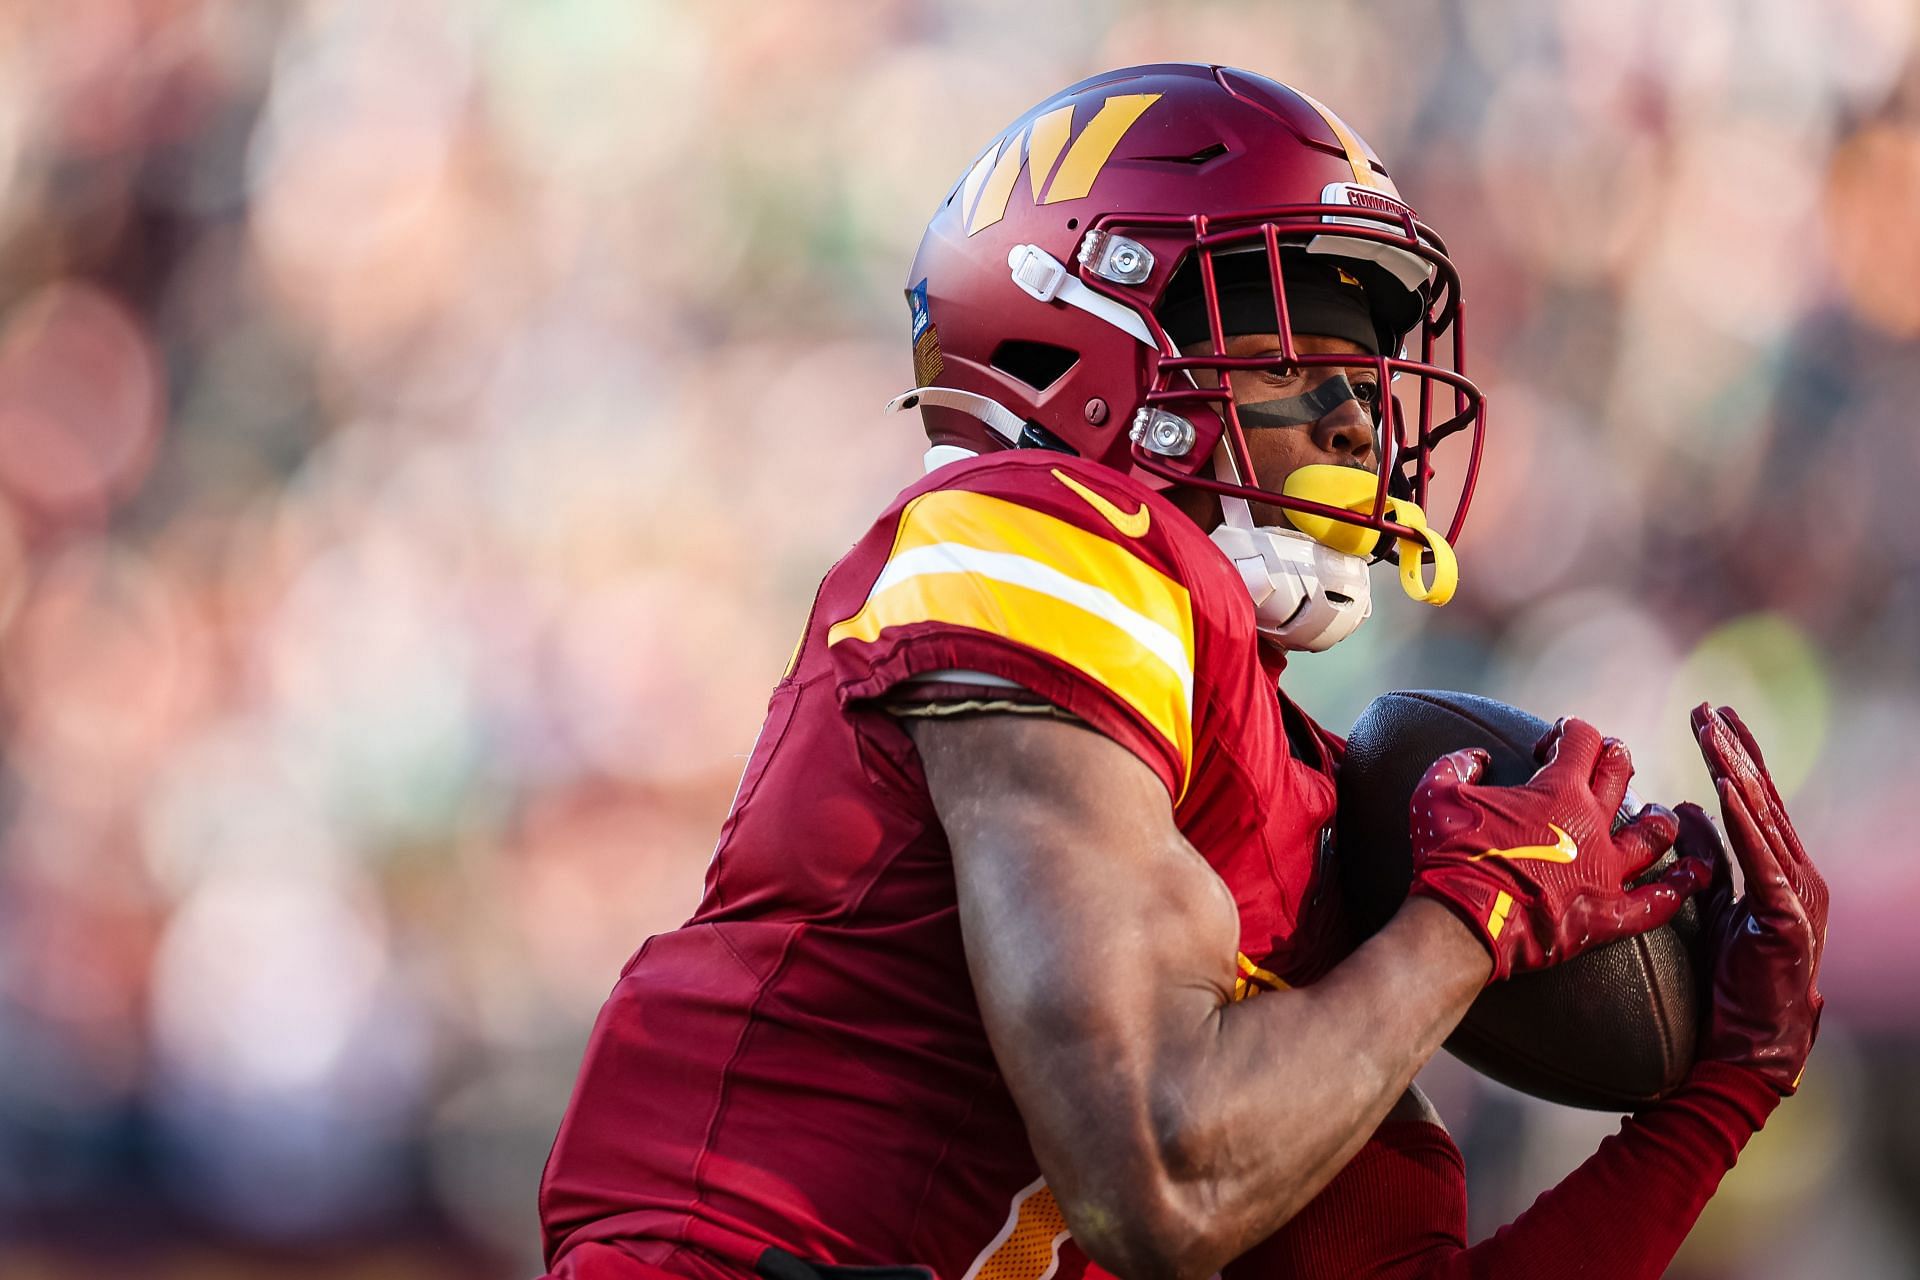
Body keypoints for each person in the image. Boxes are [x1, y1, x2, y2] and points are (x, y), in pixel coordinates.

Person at [536, 64, 1826, 1280]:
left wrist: (1724, 1092)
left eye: (1365, 376)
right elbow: (1152, 1178)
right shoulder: (1040, 535)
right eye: (1289, 356)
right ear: (1074, 338)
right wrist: (1465, 927)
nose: (1357, 420)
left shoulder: (1289, 797)